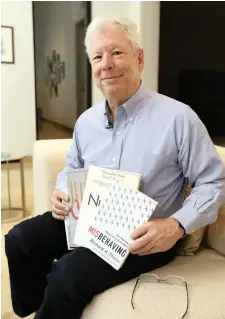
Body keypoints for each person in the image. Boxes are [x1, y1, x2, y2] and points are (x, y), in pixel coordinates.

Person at [5, 17, 225, 319]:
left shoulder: (178, 118)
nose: (106, 64)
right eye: (97, 56)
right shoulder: (86, 122)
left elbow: (213, 182)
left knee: (68, 273)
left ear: (139, 58)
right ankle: (36, 308)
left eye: (116, 53)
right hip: (90, 220)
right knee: (19, 239)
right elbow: (73, 165)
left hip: (145, 237)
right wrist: (61, 188)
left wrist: (176, 226)